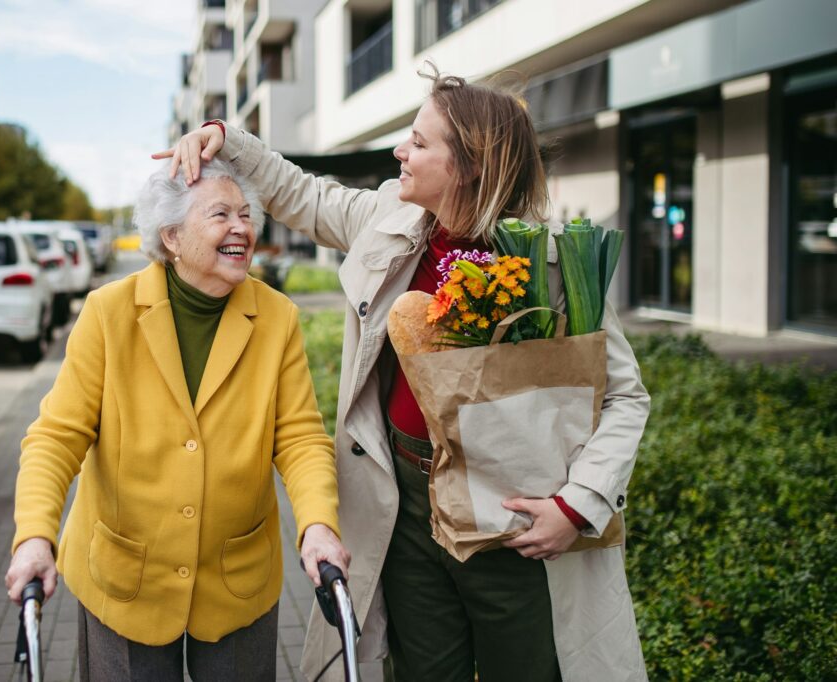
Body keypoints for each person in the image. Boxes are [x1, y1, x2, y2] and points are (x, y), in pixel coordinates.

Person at [155, 65, 651, 681]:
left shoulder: (551, 263)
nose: (400, 150)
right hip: (405, 510)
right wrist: (225, 138)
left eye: (418, 142)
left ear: (469, 166)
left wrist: (577, 506)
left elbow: (626, 397)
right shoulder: (389, 222)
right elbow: (302, 194)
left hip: (516, 521)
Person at [4, 159, 350, 682]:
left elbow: (299, 436)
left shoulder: (276, 317)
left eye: (245, 214)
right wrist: (34, 535)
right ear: (171, 237)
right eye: (220, 214)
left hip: (237, 577)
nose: (241, 227)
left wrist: (318, 525)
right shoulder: (109, 312)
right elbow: (56, 437)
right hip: (126, 578)